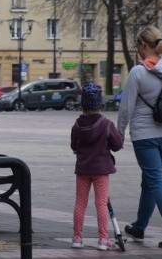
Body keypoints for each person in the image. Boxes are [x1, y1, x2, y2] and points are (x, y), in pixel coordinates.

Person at [117, 26, 162, 249]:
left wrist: (118, 135)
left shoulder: (137, 72)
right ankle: (139, 226)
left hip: (145, 135)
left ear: (143, 46)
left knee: (155, 180)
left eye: (137, 46)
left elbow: (126, 109)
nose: (137, 50)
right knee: (151, 180)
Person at [71, 82, 123, 251]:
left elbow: (73, 146)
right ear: (99, 104)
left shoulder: (77, 125)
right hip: (101, 171)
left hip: (83, 170)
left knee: (80, 203)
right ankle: (103, 239)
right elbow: (116, 145)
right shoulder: (106, 124)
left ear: (83, 104)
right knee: (101, 204)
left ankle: (77, 237)